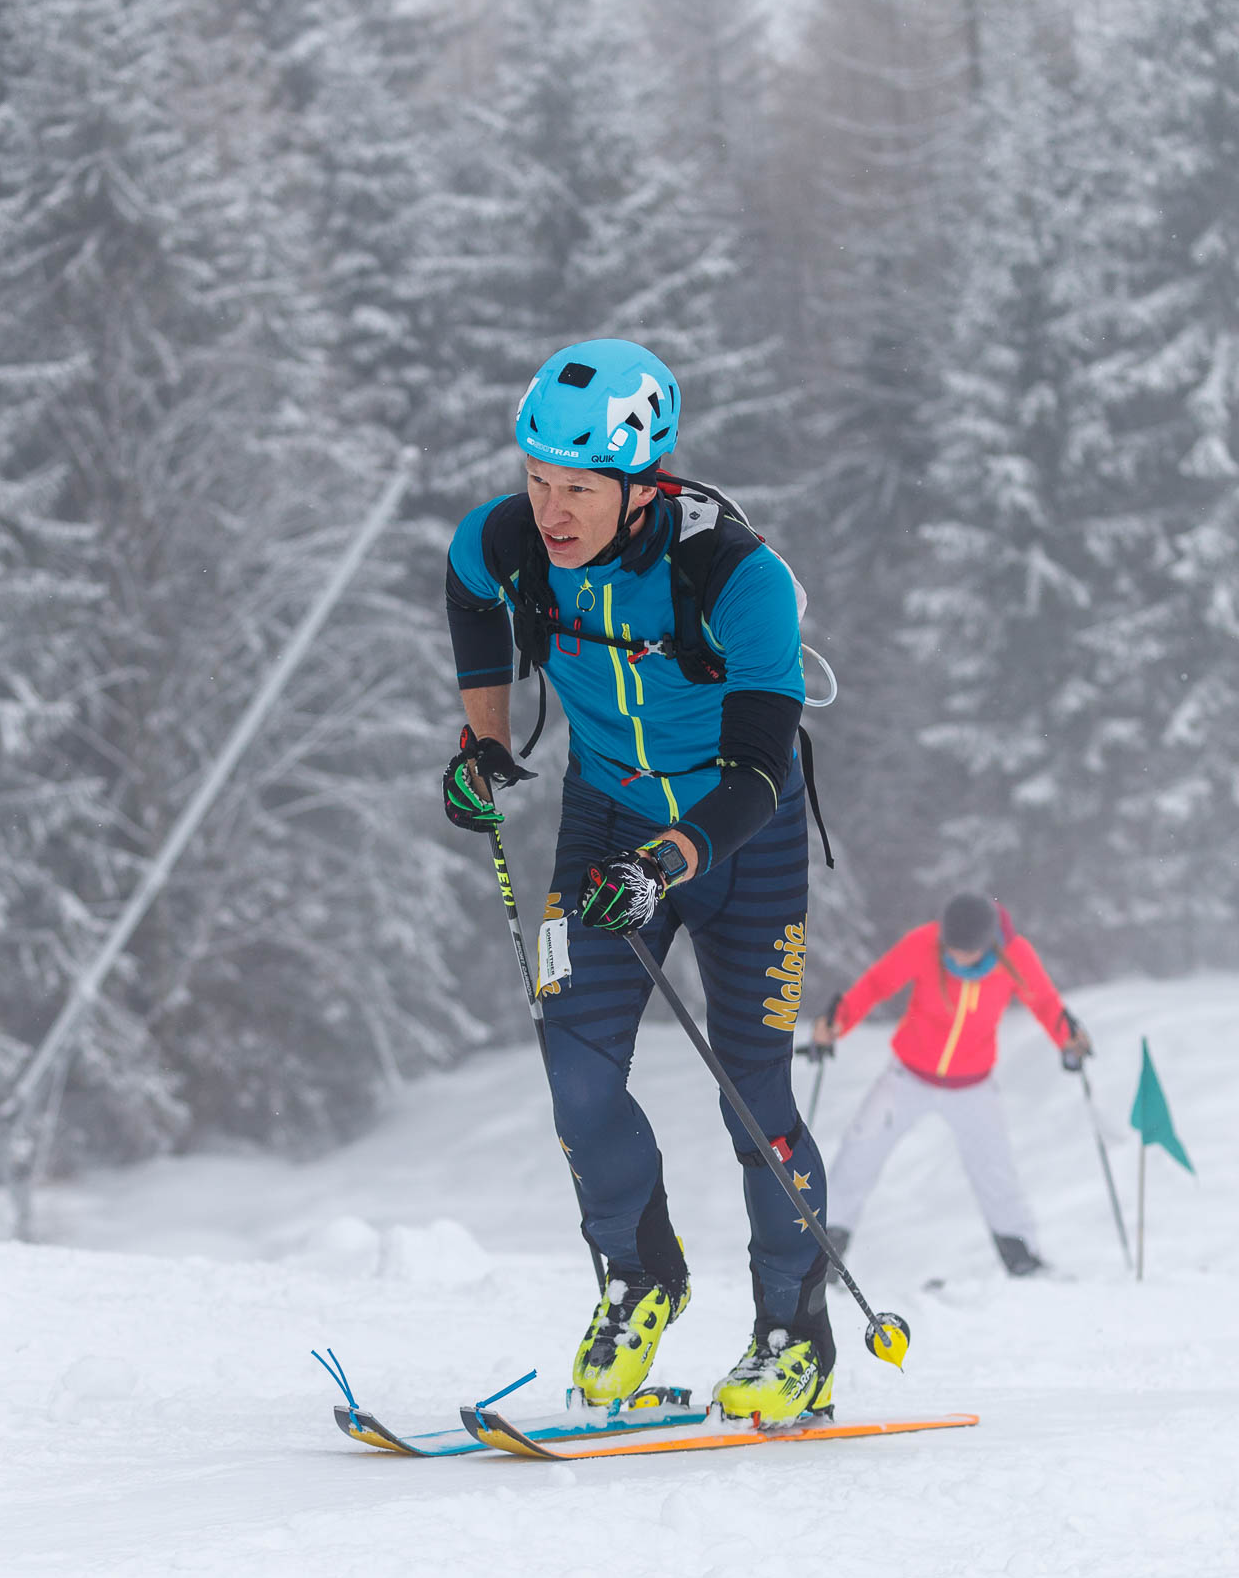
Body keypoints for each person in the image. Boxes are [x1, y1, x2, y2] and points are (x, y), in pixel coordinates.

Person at [441, 337, 834, 1424]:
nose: (550, 512)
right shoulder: (509, 541)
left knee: (751, 1095)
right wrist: (483, 745)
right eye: (536, 481)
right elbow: (468, 592)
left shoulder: (734, 579)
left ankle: (790, 1332)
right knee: (574, 1069)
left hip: (735, 843)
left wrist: (668, 862)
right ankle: (638, 1280)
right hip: (601, 822)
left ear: (643, 482)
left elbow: (760, 768)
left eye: (577, 489)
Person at [812, 892, 1092, 1275]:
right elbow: (877, 984)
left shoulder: (1016, 956)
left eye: (967, 951)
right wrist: (837, 1022)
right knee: (859, 1152)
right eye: (952, 949)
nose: (957, 958)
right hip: (907, 1076)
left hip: (973, 1087)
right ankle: (826, 1249)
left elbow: (1044, 1001)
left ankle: (1019, 1254)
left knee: (994, 1168)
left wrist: (1068, 1039)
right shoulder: (924, 942)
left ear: (988, 941)